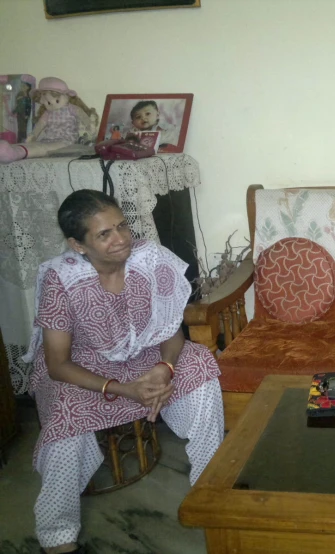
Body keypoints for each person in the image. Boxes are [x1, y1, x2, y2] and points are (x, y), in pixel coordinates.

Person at [23, 190, 224, 554]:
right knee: (65, 420)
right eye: (104, 234)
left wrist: (164, 369)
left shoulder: (149, 259)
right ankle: (57, 534)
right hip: (82, 369)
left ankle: (209, 488)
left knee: (199, 364)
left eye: (122, 226)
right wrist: (123, 388)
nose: (121, 239)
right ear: (78, 244)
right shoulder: (61, 279)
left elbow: (170, 332)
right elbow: (57, 363)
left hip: (144, 355)